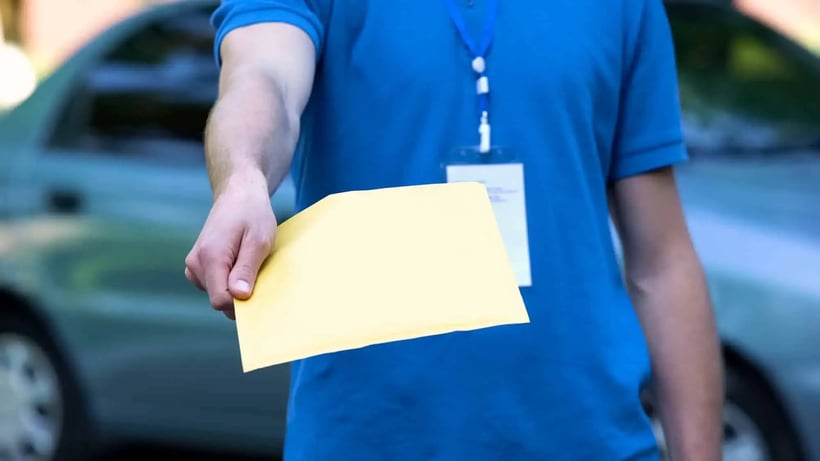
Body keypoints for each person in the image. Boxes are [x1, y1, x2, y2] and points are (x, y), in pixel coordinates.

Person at [184, 0, 724, 459]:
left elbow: (662, 264)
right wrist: (243, 177)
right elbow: (264, 76)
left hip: (594, 441)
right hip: (368, 441)